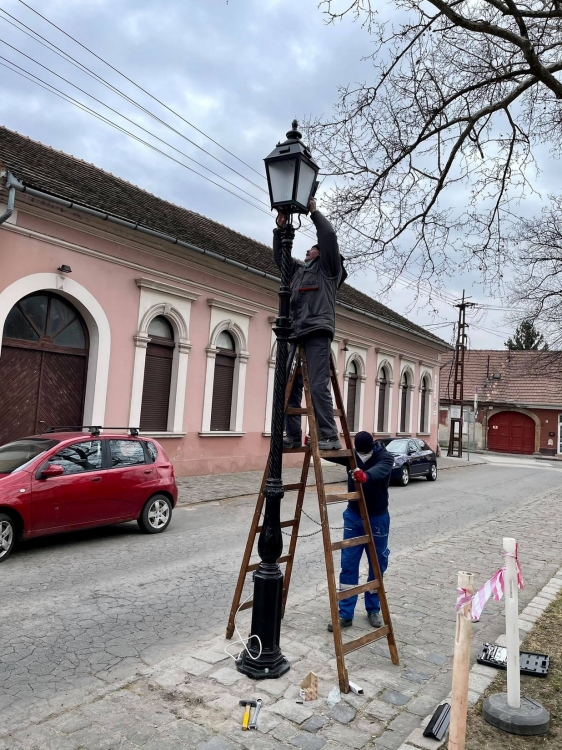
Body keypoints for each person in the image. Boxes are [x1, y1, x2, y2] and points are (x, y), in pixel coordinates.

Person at [273, 198, 346, 451]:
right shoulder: (298, 271)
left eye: (313, 249)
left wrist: (314, 212)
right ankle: (293, 436)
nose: (308, 251)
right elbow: (280, 256)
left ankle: (329, 435)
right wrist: (280, 227)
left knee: (316, 385)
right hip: (295, 333)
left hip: (316, 332)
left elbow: (328, 236)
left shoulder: (328, 269)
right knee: (287, 385)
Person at [328, 431, 394, 632]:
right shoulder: (352, 456)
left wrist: (364, 475)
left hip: (377, 518)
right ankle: (345, 614)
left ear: (372, 447)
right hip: (354, 516)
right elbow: (333, 455)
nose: (362, 454)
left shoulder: (385, 456)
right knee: (348, 564)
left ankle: (373, 609)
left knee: (377, 564)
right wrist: (316, 446)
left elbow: (380, 471)